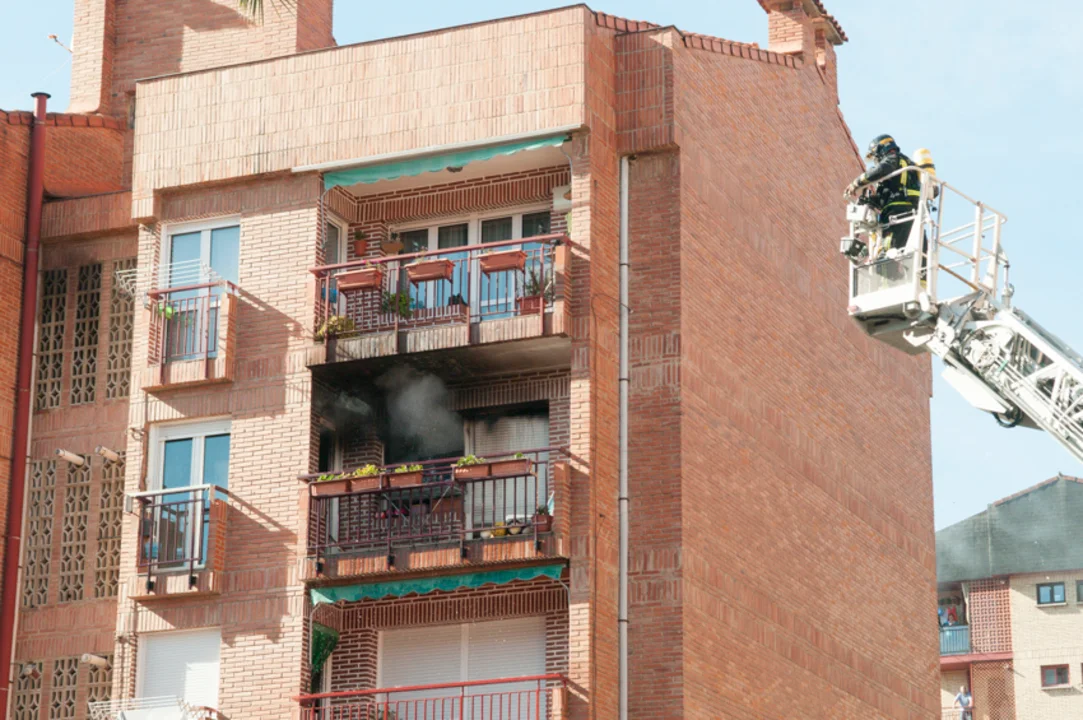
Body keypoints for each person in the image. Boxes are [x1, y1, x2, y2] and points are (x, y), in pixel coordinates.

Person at [845, 134, 923, 256]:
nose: (875, 159)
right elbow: (890, 191)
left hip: (897, 212)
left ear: (881, 149)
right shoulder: (907, 165)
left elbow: (882, 169)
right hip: (912, 211)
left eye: (875, 155)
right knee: (918, 252)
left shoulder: (893, 158)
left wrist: (857, 183)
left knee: (890, 250)